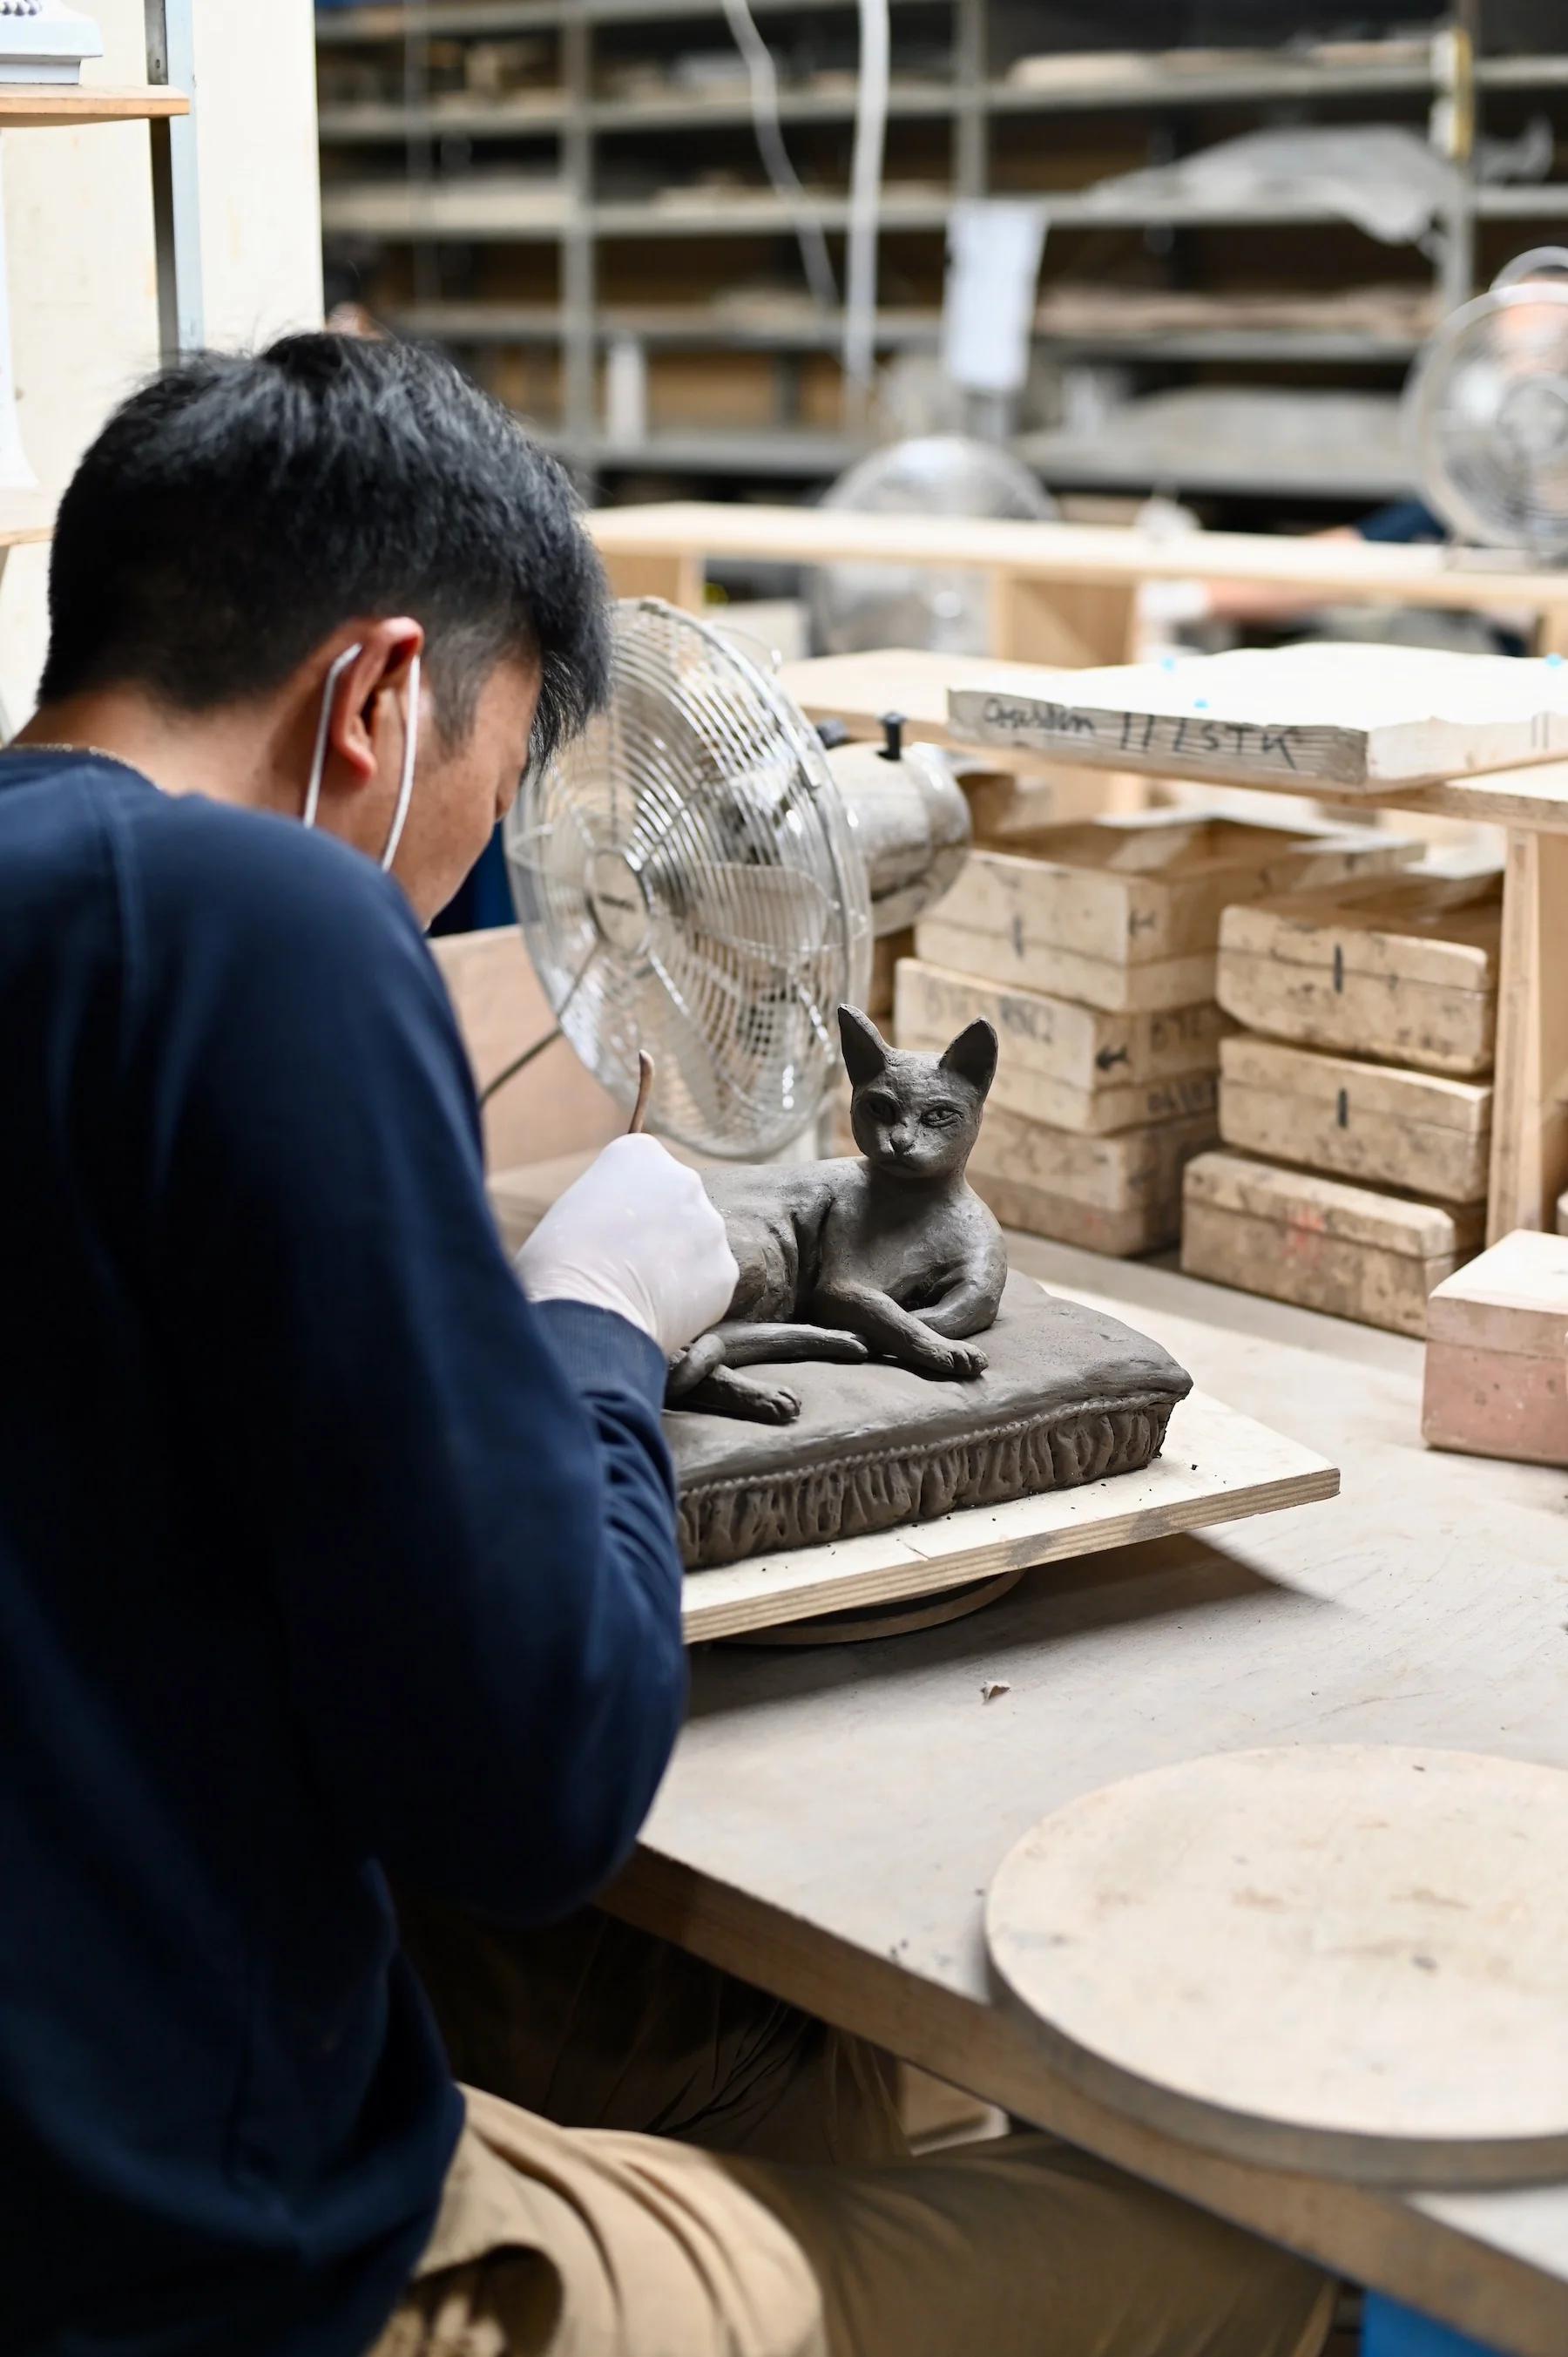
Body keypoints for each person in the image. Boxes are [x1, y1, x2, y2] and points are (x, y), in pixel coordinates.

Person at [1, 331, 1333, 2357]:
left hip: (101, 2026)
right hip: (202, 2269)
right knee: (1242, 2244)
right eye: (485, 799)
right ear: (371, 696)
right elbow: (538, 1794)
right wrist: (599, 1323)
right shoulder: (257, 918)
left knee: (810, 2062)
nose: (462, 889)